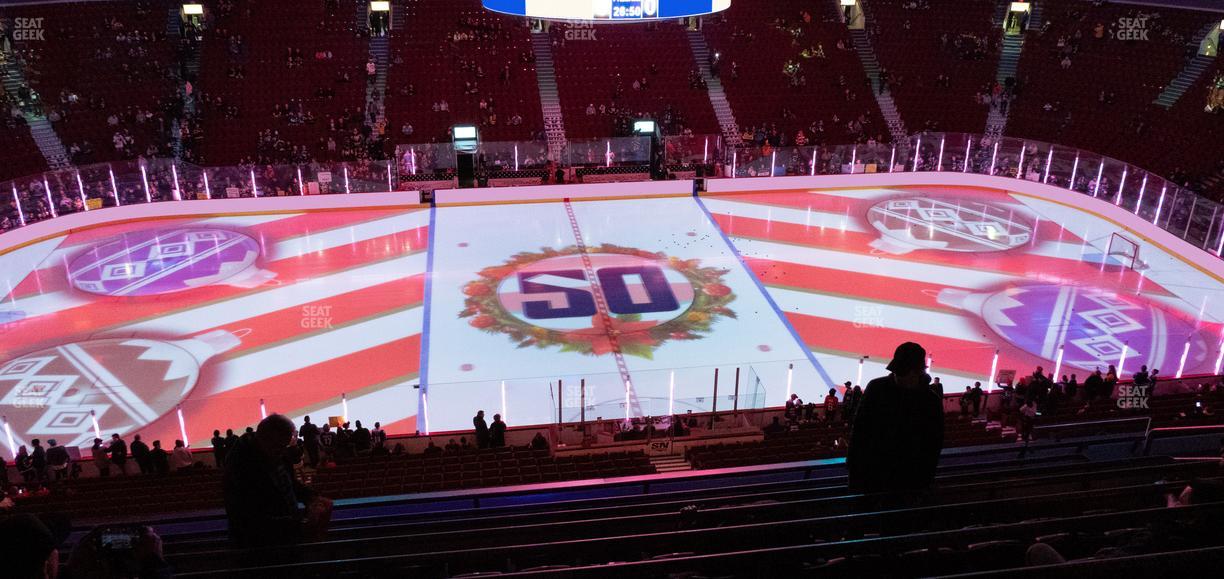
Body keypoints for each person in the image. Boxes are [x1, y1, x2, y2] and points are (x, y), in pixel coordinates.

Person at [847, 342, 945, 503]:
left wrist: (923, 482)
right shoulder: (875, 388)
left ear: (918, 372)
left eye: (903, 372)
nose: (897, 375)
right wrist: (853, 469)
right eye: (896, 371)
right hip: (874, 476)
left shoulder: (930, 401)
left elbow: (933, 445)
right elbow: (859, 431)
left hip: (909, 481)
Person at [224, 414, 332, 548]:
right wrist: (299, 524)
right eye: (279, 447)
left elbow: (290, 484)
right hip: (258, 546)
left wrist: (311, 497)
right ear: (265, 440)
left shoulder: (273, 452)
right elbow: (248, 520)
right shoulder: (240, 468)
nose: (282, 452)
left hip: (284, 534)